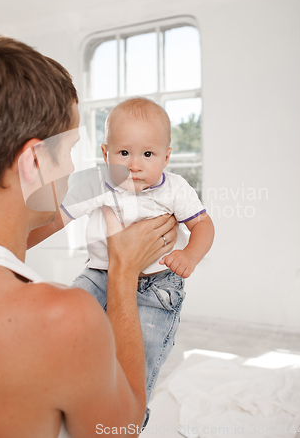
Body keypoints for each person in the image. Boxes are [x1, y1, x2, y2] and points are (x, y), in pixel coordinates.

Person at [0, 35, 179, 438]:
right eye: (68, 150)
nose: (71, 168)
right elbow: (120, 429)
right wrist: (123, 273)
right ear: (34, 161)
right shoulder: (63, 319)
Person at [29, 98, 215, 411]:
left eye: (148, 154)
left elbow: (203, 224)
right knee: (66, 316)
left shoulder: (175, 189)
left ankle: (129, 415)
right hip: (99, 275)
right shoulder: (98, 183)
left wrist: (190, 254)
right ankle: (61, 388)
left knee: (141, 354)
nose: (135, 164)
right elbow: (57, 219)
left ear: (166, 157)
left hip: (158, 287)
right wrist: (13, 244)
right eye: (124, 153)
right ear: (106, 154)